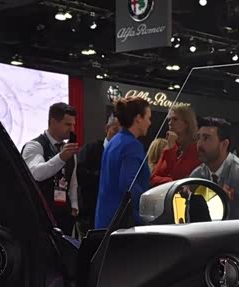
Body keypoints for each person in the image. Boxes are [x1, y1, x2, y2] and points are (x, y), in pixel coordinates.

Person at [190, 116, 239, 219]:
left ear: (224, 144)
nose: (199, 144)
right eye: (198, 138)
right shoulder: (197, 175)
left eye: (206, 138)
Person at [21, 102, 80, 234]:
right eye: (68, 124)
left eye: (73, 124)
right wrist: (61, 158)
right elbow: (36, 174)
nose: (72, 129)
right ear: (53, 122)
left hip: (64, 214)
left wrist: (74, 204)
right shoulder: (34, 146)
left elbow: (72, 180)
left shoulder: (68, 150)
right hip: (40, 214)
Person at [95, 96, 152, 229]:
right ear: (138, 118)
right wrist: (148, 207)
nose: (150, 123)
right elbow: (128, 183)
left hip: (106, 219)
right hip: (123, 223)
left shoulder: (114, 142)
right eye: (148, 118)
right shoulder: (132, 145)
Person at [75, 114, 120, 235]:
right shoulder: (90, 149)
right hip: (90, 214)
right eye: (115, 130)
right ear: (107, 128)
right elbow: (81, 176)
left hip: (115, 217)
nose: (118, 135)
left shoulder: (124, 155)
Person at [150, 105, 201, 187]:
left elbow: (179, 178)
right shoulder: (170, 147)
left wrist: (167, 180)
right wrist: (171, 181)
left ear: (187, 123)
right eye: (169, 119)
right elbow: (153, 179)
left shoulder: (196, 149)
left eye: (175, 119)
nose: (170, 123)